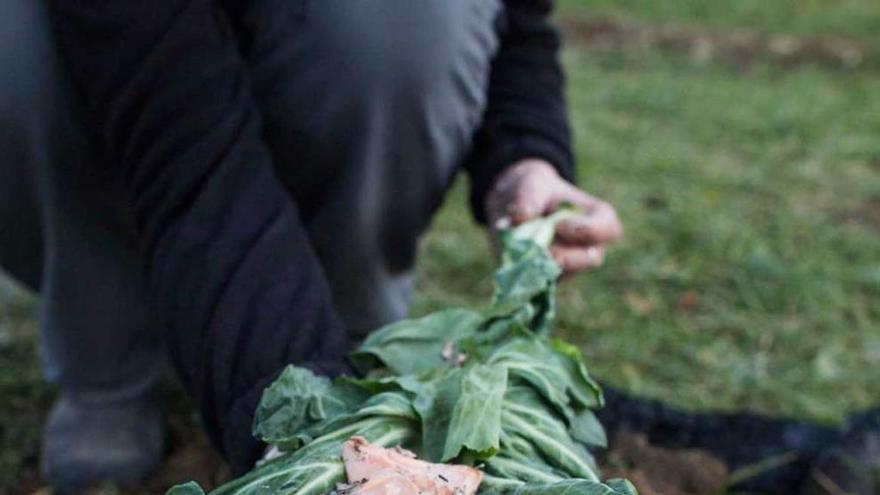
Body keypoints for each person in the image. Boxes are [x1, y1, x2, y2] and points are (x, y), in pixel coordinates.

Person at [0, 0, 623, 491]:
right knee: (18, 46)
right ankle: (107, 357)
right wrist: (301, 431)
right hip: (134, 69)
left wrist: (523, 156)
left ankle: (352, 334)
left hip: (293, 69)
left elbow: (516, 20)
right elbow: (182, 130)